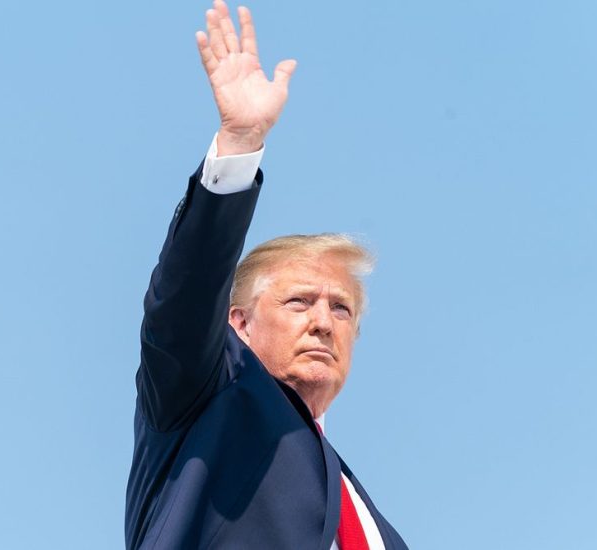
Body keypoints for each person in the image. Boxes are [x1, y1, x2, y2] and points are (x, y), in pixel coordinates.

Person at [125, 2, 409, 548]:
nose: (324, 323)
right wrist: (239, 143)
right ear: (239, 324)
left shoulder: (372, 521)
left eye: (341, 308)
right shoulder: (206, 397)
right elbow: (186, 297)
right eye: (300, 301)